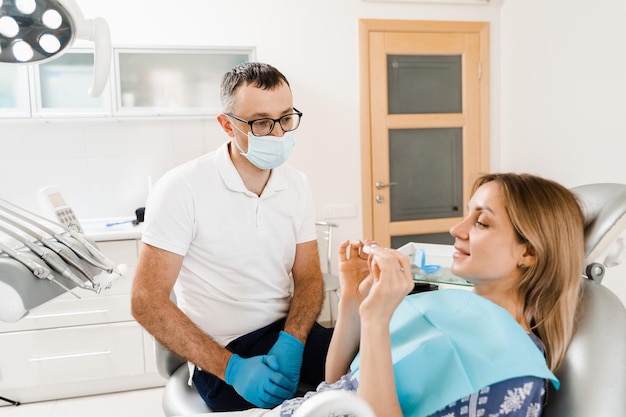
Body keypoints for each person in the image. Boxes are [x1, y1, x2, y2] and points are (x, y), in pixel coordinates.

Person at [130, 62, 333, 412]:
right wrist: (232, 369)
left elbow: (309, 276)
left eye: (286, 118)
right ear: (227, 125)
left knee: (378, 370)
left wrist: (294, 340)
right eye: (261, 123)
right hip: (226, 350)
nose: (279, 135)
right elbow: (146, 300)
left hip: (289, 334)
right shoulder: (182, 188)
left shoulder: (296, 184)